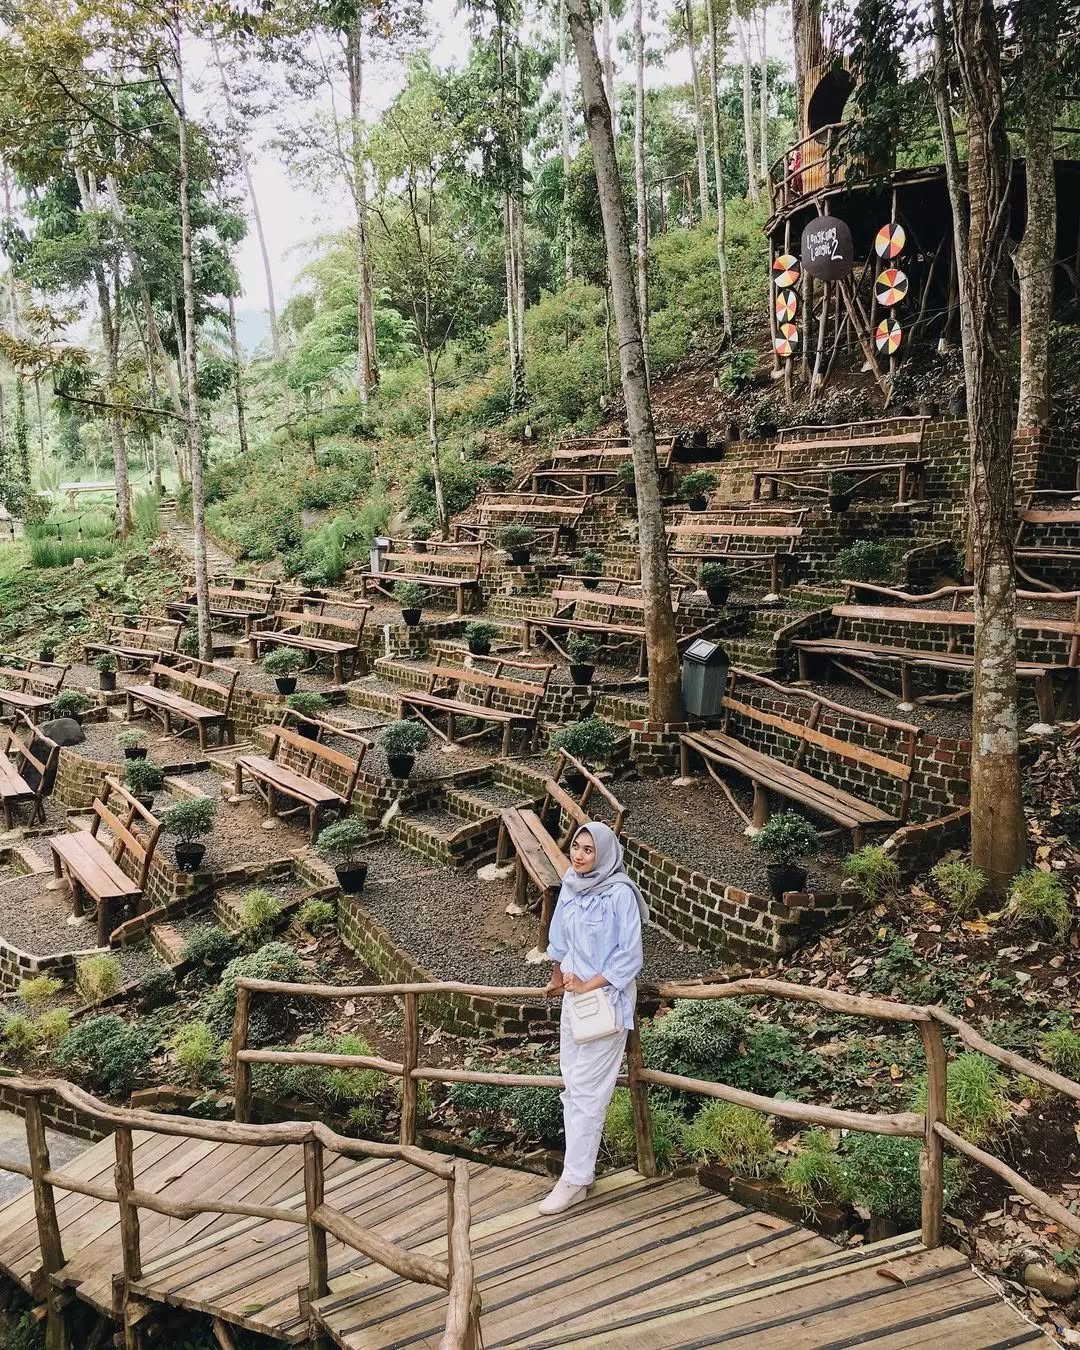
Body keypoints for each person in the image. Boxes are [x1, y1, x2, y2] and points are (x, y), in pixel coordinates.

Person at [539, 821, 647, 1216]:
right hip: (575, 1002)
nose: (580, 855)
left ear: (605, 854)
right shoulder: (571, 885)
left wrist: (591, 984)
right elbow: (559, 939)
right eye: (577, 847)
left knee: (587, 1090)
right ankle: (579, 1176)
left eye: (589, 850)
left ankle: (574, 1179)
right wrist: (558, 979)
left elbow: (630, 955)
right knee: (572, 1086)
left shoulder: (620, 895)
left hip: (608, 1001)